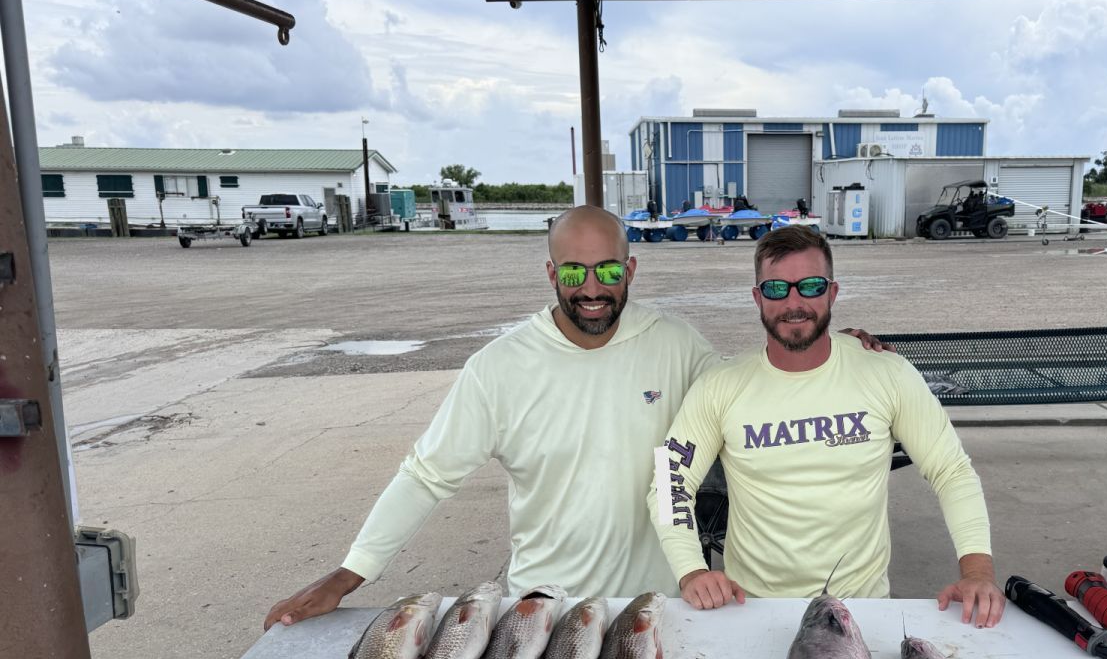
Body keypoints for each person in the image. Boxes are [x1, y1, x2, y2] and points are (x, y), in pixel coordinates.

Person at [264, 207, 888, 629]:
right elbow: (427, 476)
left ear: (631, 270)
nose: (593, 287)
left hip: (661, 606)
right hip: (544, 611)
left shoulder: (674, 345)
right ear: (551, 273)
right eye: (575, 271)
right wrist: (348, 577)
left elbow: (759, 392)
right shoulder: (499, 367)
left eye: (609, 270)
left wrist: (838, 350)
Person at [650, 226, 1006, 627]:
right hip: (751, 609)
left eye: (811, 286)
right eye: (776, 289)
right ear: (757, 298)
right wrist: (692, 570)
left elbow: (952, 470)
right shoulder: (720, 384)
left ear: (832, 293)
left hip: (861, 610)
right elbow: (668, 481)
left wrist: (978, 573)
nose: (794, 302)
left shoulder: (887, 372)